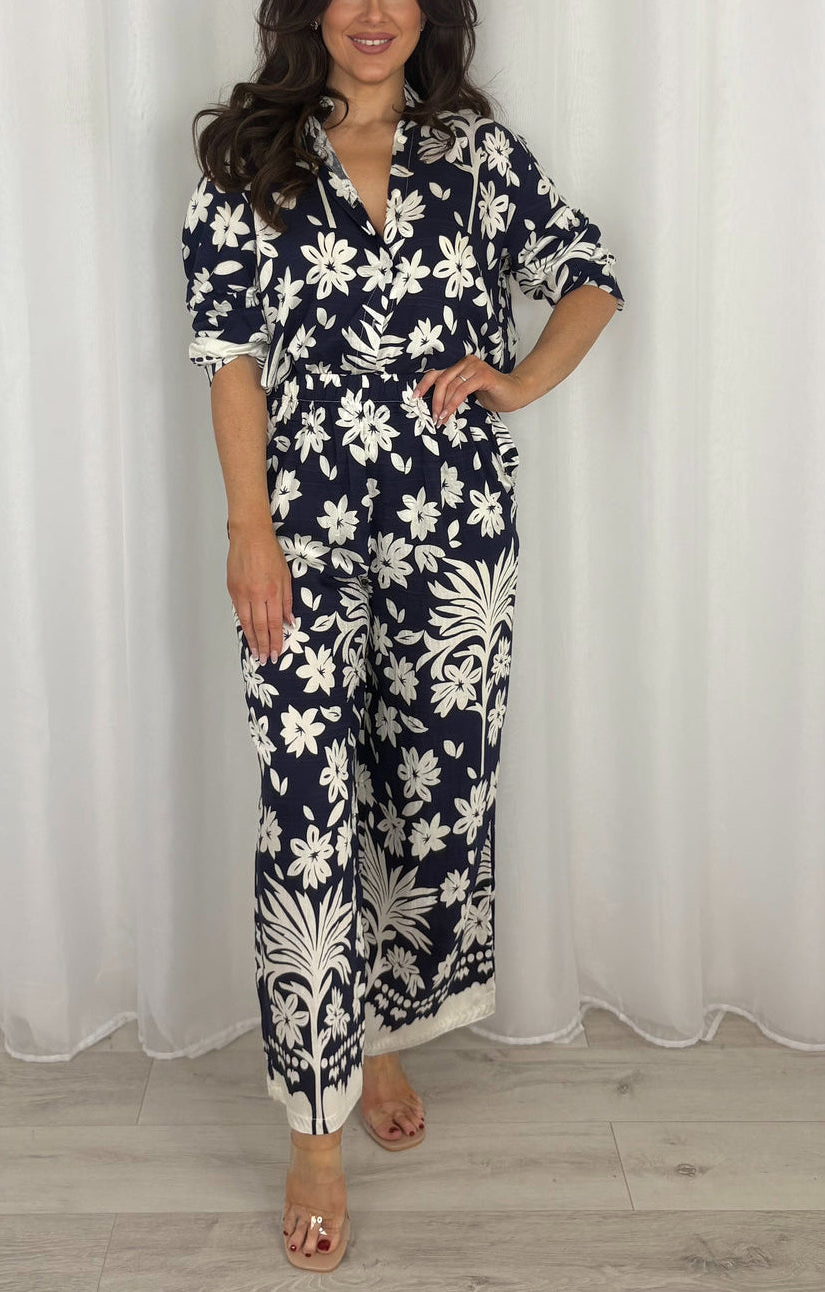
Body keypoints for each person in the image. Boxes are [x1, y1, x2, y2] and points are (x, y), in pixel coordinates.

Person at [181, 0, 624, 1270]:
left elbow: (590, 275)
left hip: (453, 532)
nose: (373, 13)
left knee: (426, 802)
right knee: (308, 811)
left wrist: (517, 379)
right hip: (302, 534)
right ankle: (314, 1132)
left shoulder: (476, 155)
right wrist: (249, 529)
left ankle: (378, 1036)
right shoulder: (249, 159)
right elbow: (229, 355)